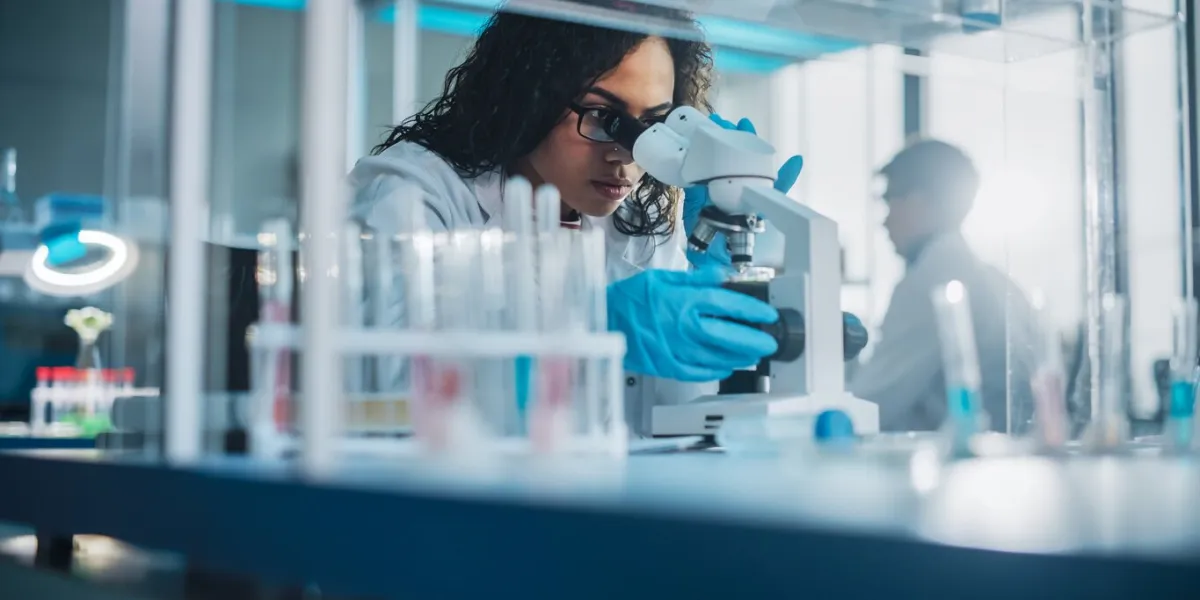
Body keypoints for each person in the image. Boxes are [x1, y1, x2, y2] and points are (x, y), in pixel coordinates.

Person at [348, 9, 802, 436]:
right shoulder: (417, 192)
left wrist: (707, 270)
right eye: (605, 118)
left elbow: (668, 416)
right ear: (528, 94)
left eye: (654, 126)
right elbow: (391, 391)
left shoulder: (638, 223)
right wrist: (594, 323)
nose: (624, 153)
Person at [848, 139, 1038, 433]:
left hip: (970, 466)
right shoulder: (992, 278)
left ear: (919, 202)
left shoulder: (935, 280)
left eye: (889, 201)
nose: (884, 222)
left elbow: (869, 405)